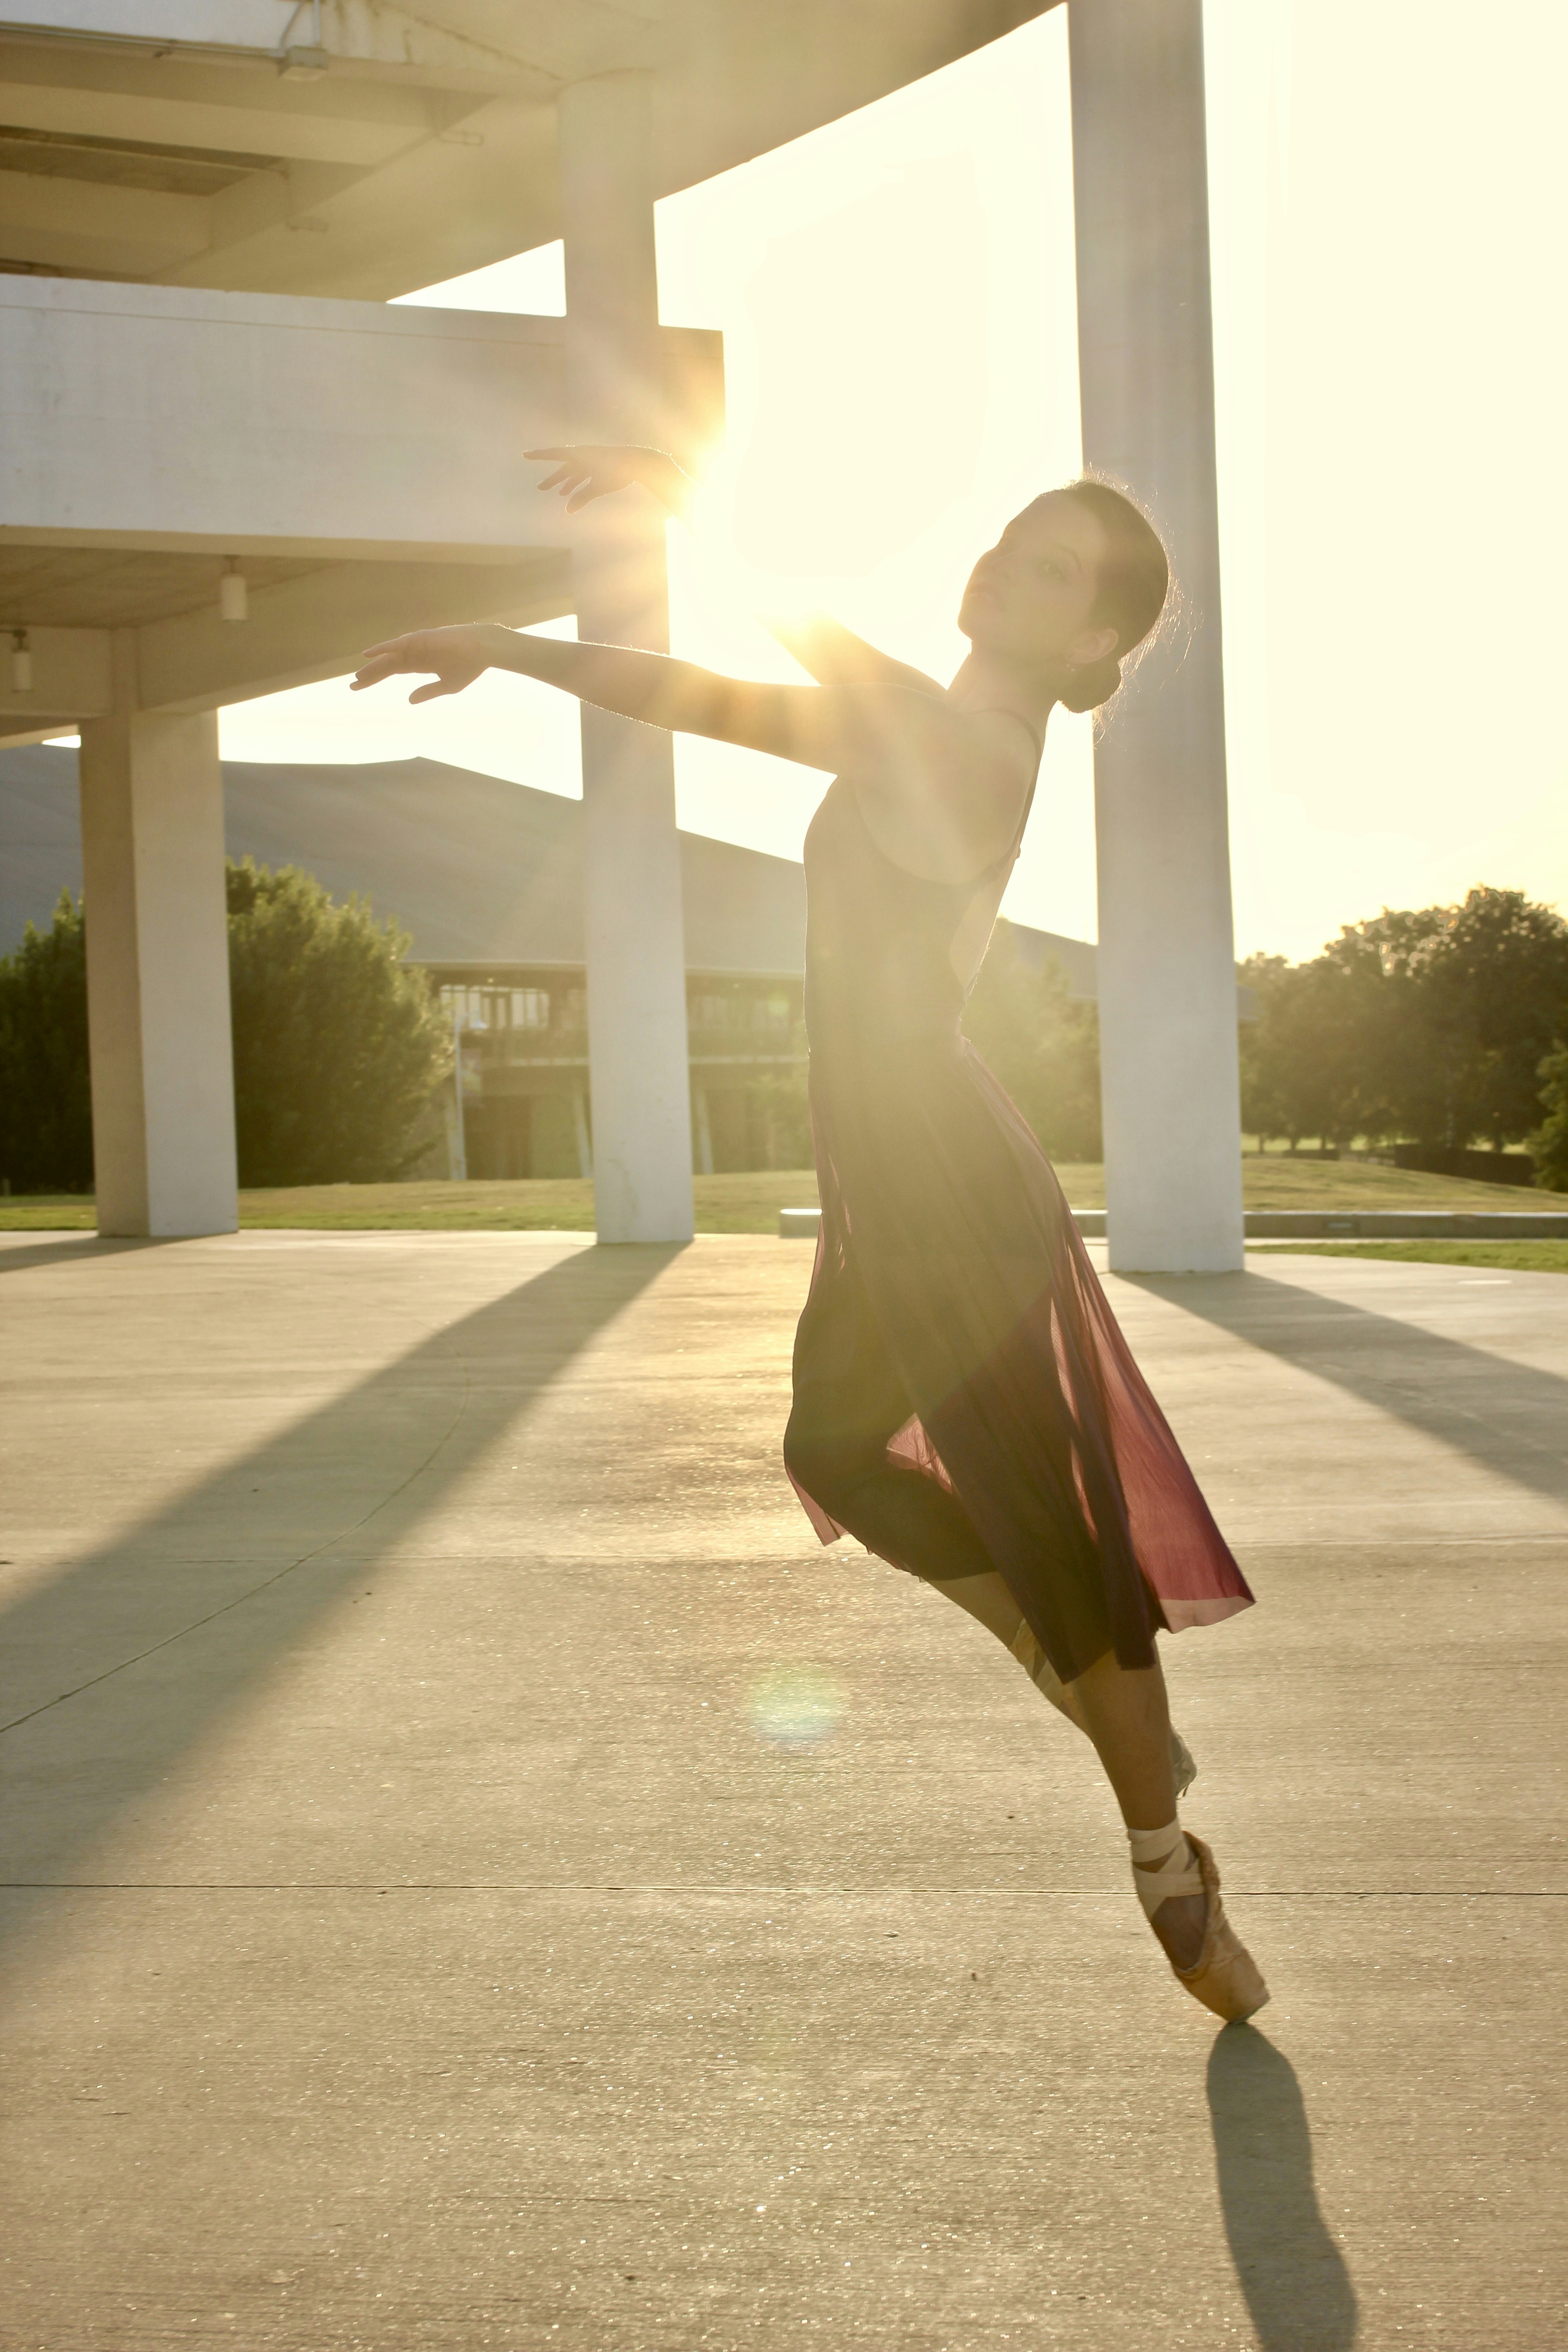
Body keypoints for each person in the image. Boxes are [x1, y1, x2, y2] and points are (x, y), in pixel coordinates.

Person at [351, 445, 1267, 2024]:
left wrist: (661, 533)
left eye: (1055, 569)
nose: (1004, 563)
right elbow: (729, 690)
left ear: (1095, 650)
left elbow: (757, 670)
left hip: (948, 1187)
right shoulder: (931, 720)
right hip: (897, 1162)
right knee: (839, 1454)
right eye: (1011, 538)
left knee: (1053, 1540)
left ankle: (1165, 1860)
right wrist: (521, 638)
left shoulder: (965, 743)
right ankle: (1077, 1679)